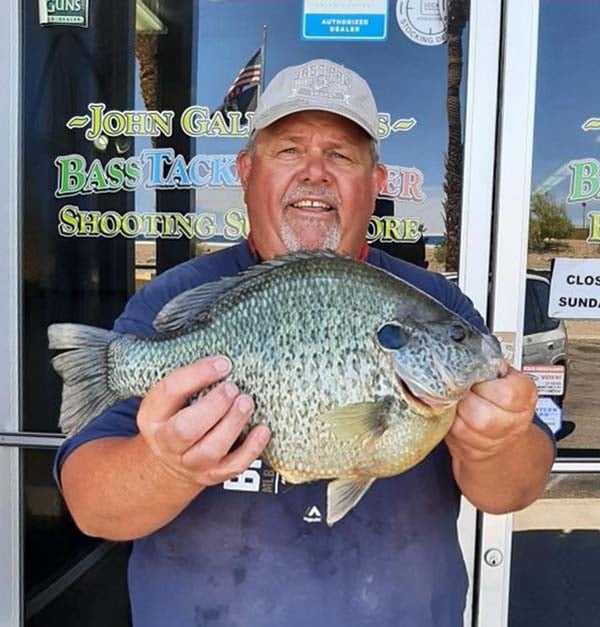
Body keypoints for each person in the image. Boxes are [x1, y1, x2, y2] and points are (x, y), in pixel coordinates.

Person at [55, 59, 555, 627]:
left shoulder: (436, 307)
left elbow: (515, 489)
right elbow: (90, 505)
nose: (314, 172)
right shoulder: (173, 299)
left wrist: (494, 444)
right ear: (246, 172)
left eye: (341, 155)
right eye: (289, 150)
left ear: (377, 182)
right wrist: (167, 466)